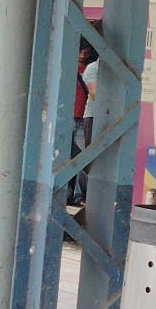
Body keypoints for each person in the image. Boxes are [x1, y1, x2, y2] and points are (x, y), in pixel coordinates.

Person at [69, 42, 94, 207]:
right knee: (72, 158)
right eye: (81, 52)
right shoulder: (70, 69)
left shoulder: (90, 71)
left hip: (81, 119)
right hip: (68, 119)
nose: (83, 55)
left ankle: (77, 195)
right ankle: (70, 194)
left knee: (80, 159)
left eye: (86, 52)